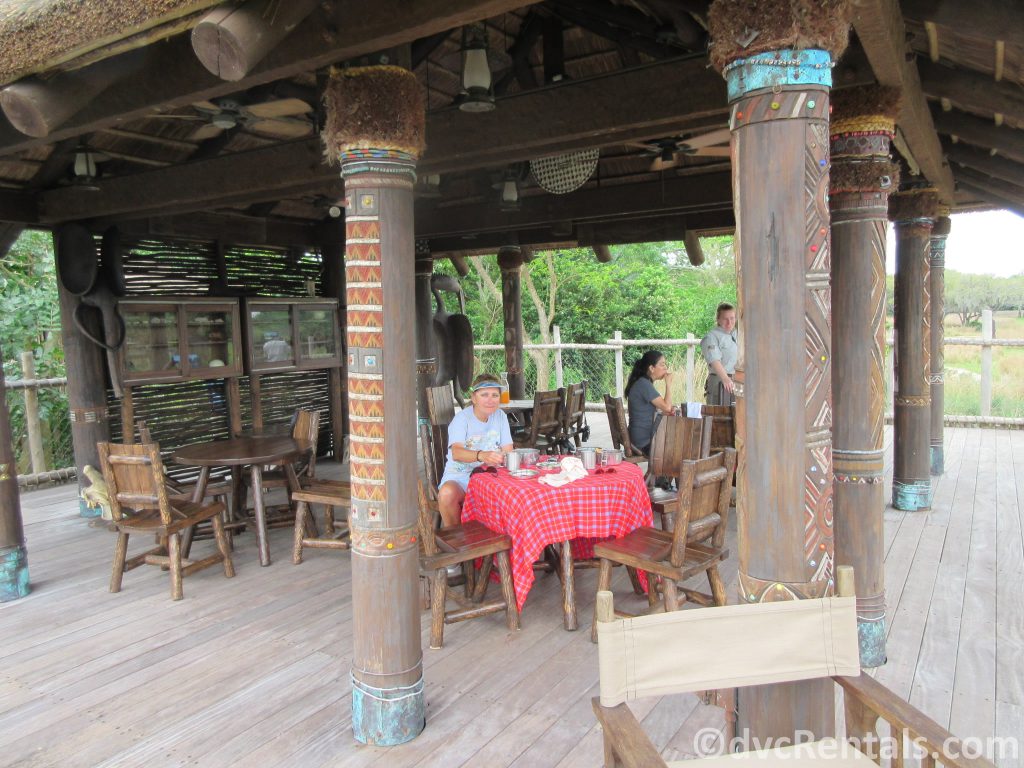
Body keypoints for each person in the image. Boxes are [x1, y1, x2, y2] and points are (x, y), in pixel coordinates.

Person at [437, 373, 514, 527]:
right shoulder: (462, 419)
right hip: (460, 477)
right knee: (446, 493)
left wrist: (501, 458)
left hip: (490, 477)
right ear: (473, 398)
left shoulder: (500, 416)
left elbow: (508, 450)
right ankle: (457, 539)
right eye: (484, 395)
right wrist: (481, 455)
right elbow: (456, 453)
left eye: (495, 395)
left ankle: (499, 540)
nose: (490, 400)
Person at [625, 350, 675, 455]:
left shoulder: (643, 382)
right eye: (662, 364)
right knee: (680, 444)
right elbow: (667, 407)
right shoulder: (644, 384)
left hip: (638, 438)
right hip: (644, 442)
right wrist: (668, 385)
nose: (665, 368)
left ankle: (662, 471)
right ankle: (663, 471)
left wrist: (665, 411)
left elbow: (659, 409)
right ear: (651, 368)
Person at [701, 302, 738, 405]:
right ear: (718, 319)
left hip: (737, 382)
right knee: (719, 417)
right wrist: (725, 379)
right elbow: (714, 360)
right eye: (725, 319)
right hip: (720, 381)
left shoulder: (737, 334)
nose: (729, 322)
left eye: (732, 318)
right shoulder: (711, 337)